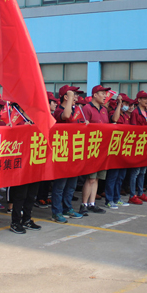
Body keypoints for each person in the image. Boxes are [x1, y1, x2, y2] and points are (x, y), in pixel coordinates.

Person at [50, 85, 84, 223]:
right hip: (62, 153)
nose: (77, 97)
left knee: (71, 185)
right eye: (74, 94)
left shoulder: (76, 111)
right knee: (60, 185)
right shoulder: (60, 110)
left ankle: (67, 208)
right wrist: (70, 98)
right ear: (66, 97)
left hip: (74, 152)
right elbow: (65, 116)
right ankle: (56, 212)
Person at [80, 85, 112, 214]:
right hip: (91, 148)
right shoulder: (87, 108)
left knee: (97, 178)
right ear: (95, 95)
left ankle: (92, 203)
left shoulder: (104, 110)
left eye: (105, 94)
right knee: (91, 178)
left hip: (102, 148)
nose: (105, 96)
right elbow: (82, 127)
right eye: (102, 93)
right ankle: (84, 204)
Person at [128, 91, 147, 204]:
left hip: (145, 144)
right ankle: (132, 194)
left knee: (143, 171)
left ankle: (140, 193)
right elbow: (134, 129)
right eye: (144, 98)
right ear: (139, 100)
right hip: (138, 144)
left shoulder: (146, 112)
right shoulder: (135, 113)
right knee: (136, 171)